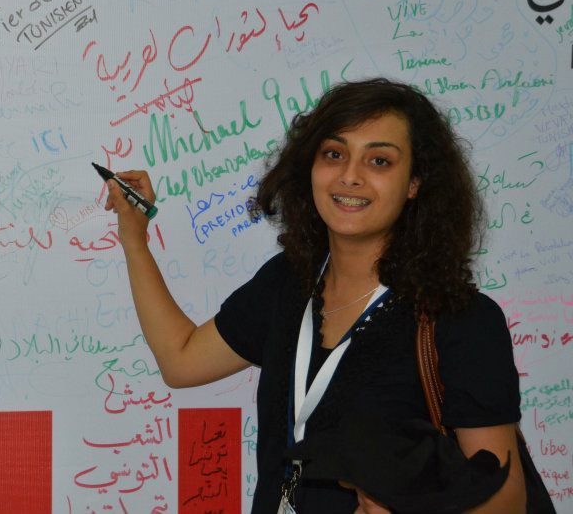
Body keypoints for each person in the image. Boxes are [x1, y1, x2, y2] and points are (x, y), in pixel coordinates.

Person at [104, 78, 526, 513]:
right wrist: (134, 237)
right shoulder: (288, 283)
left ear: (414, 182)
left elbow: (506, 498)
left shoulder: (461, 320)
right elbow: (181, 360)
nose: (350, 176)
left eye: (379, 161)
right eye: (334, 154)